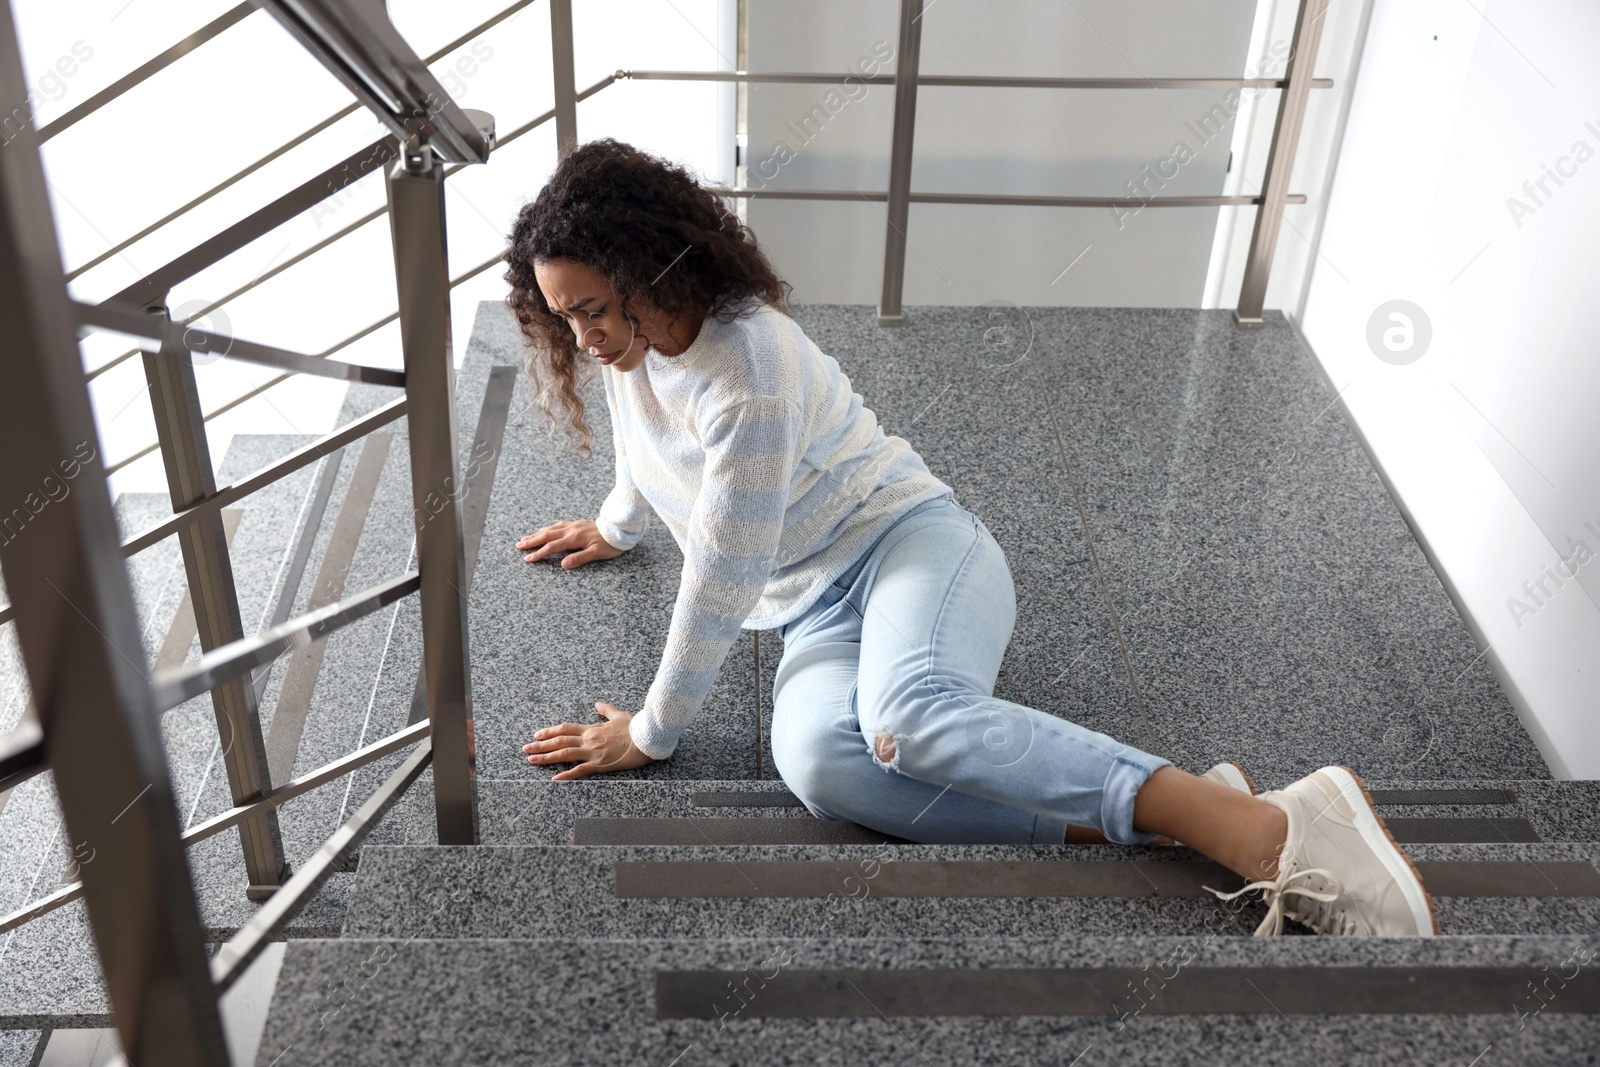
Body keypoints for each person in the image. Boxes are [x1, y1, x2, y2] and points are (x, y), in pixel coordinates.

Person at [502, 138, 1437, 938]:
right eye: (563, 312)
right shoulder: (640, 345)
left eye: (590, 307)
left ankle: (1273, 834)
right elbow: (652, 449)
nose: (580, 335)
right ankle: (1190, 817)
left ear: (651, 273)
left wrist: (654, 731)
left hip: (913, 547)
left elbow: (722, 567)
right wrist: (619, 524)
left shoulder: (748, 365)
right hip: (814, 611)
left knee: (905, 723)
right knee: (824, 767)